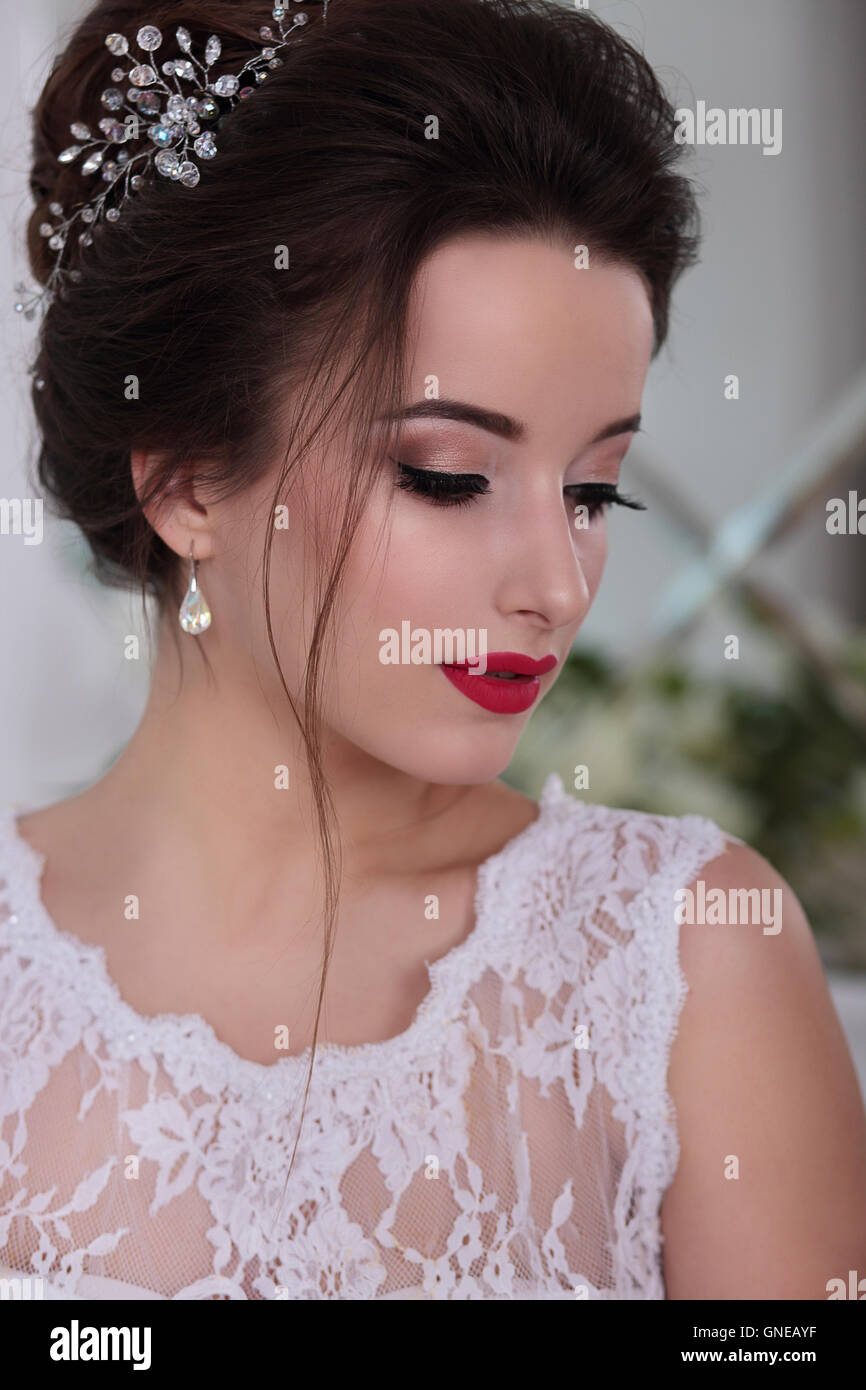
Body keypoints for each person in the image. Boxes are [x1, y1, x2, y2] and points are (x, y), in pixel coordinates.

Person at [2, 0, 865, 1301]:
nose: (554, 582)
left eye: (593, 489)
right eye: (448, 475)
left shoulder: (685, 960)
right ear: (184, 481)